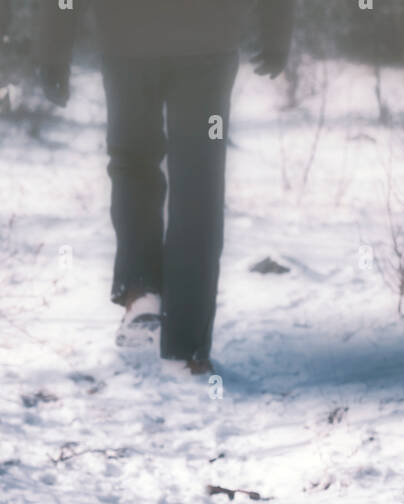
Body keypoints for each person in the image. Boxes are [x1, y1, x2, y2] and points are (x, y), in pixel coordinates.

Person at [38, 0, 296, 376]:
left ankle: (140, 291)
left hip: (127, 43)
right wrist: (275, 29)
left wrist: (53, 49)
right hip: (208, 45)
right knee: (200, 180)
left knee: (132, 161)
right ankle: (186, 350)